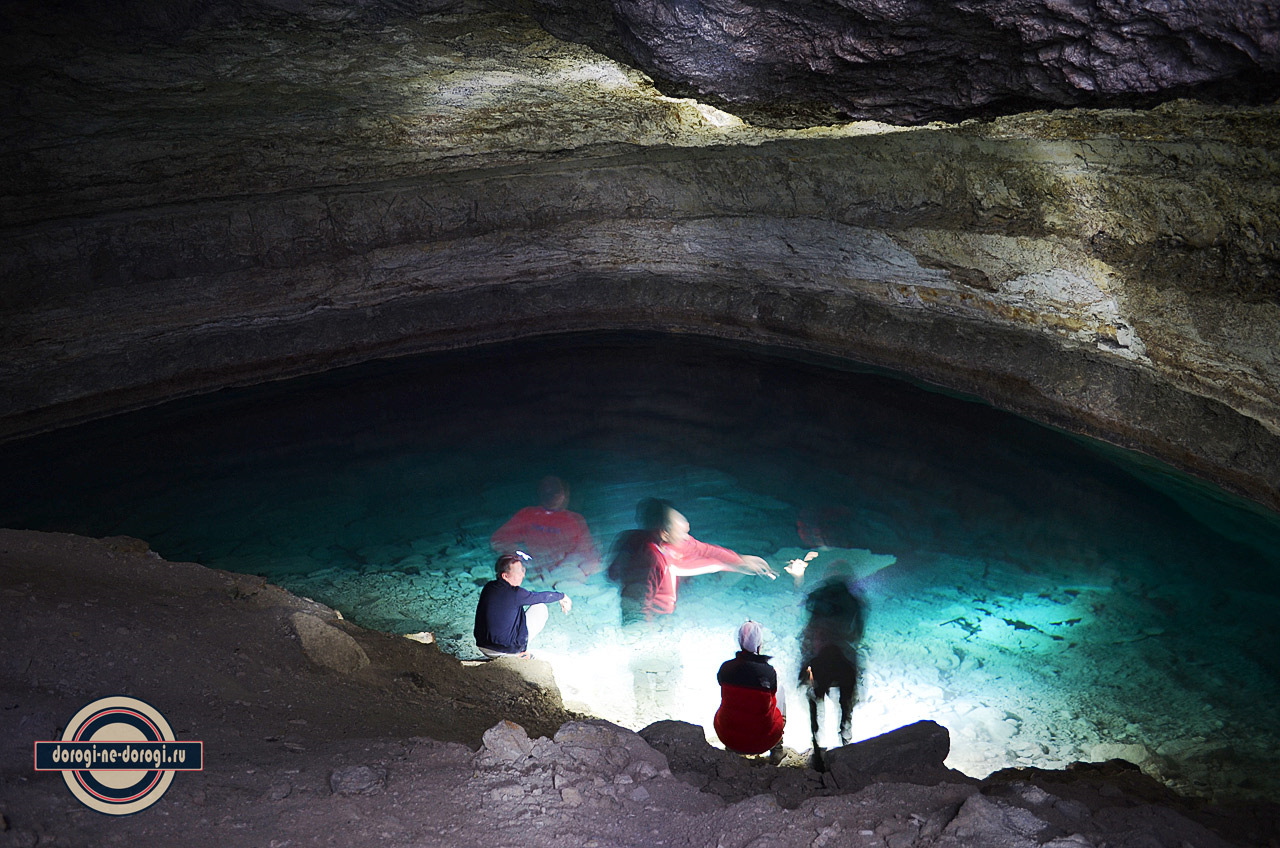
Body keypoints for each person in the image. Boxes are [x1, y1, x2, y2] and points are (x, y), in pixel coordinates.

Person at [607, 497, 776, 624]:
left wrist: (739, 561)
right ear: (664, 533)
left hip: (663, 613)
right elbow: (636, 608)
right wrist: (645, 637)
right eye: (682, 533)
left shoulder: (673, 543)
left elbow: (704, 549)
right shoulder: (649, 560)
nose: (687, 537)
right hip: (653, 619)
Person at [797, 569, 867, 770]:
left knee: (813, 696)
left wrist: (803, 667)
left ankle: (816, 743)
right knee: (847, 700)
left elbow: (808, 634)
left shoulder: (817, 600)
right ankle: (845, 737)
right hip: (843, 657)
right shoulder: (853, 603)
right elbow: (857, 635)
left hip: (821, 658)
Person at [490, 476, 601, 580]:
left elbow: (587, 553)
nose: (550, 495)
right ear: (539, 494)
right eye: (545, 491)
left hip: (563, 574)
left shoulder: (575, 520)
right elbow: (498, 540)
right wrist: (524, 557)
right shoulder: (527, 515)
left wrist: (565, 565)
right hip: (533, 572)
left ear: (565, 493)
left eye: (555, 491)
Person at [473, 552, 572, 658]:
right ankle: (519, 654)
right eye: (519, 572)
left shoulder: (489, 587)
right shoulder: (516, 593)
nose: (523, 575)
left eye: (523, 571)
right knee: (540, 607)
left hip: (482, 645)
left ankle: (509, 652)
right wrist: (562, 596)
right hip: (503, 651)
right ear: (505, 576)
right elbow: (542, 597)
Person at [714, 620, 786, 756]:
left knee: (733, 701)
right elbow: (773, 694)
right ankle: (777, 749)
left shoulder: (726, 668)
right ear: (760, 644)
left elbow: (721, 683)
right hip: (762, 741)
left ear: (739, 641)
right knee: (780, 690)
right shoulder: (768, 672)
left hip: (727, 736)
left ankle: (731, 750)